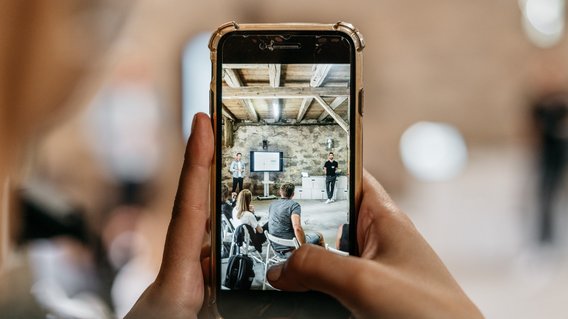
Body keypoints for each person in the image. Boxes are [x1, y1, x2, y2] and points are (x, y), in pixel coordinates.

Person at [125, 113, 483, 319]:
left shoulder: (248, 215)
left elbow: (261, 230)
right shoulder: (293, 208)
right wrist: (308, 252)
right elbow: (299, 231)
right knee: (318, 238)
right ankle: (327, 262)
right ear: (292, 193)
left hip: (266, 246)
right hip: (286, 249)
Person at [267, 183, 324, 252]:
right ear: (293, 194)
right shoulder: (294, 206)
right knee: (319, 236)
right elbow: (297, 228)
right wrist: (303, 246)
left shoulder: (272, 204)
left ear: (280, 192)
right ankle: (320, 259)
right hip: (290, 247)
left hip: (275, 245)